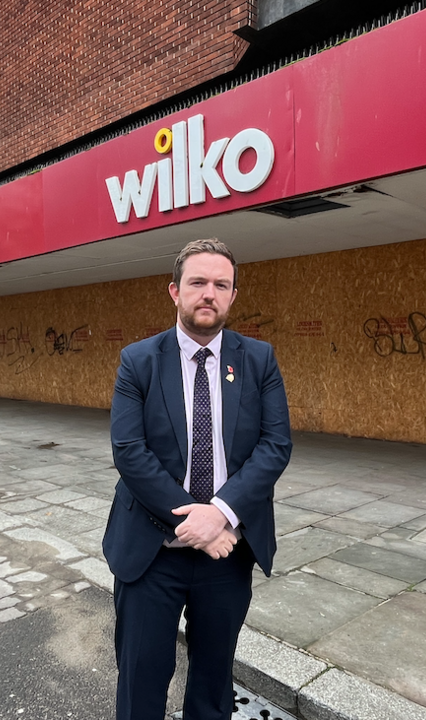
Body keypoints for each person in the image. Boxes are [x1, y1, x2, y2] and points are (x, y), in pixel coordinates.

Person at [104, 238, 292, 720]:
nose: (209, 293)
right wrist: (195, 524)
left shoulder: (259, 360)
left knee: (213, 684)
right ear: (174, 291)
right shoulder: (138, 361)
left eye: (220, 284)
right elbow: (129, 452)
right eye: (197, 283)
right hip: (152, 552)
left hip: (228, 552)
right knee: (141, 680)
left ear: (232, 295)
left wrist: (221, 516)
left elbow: (275, 447)